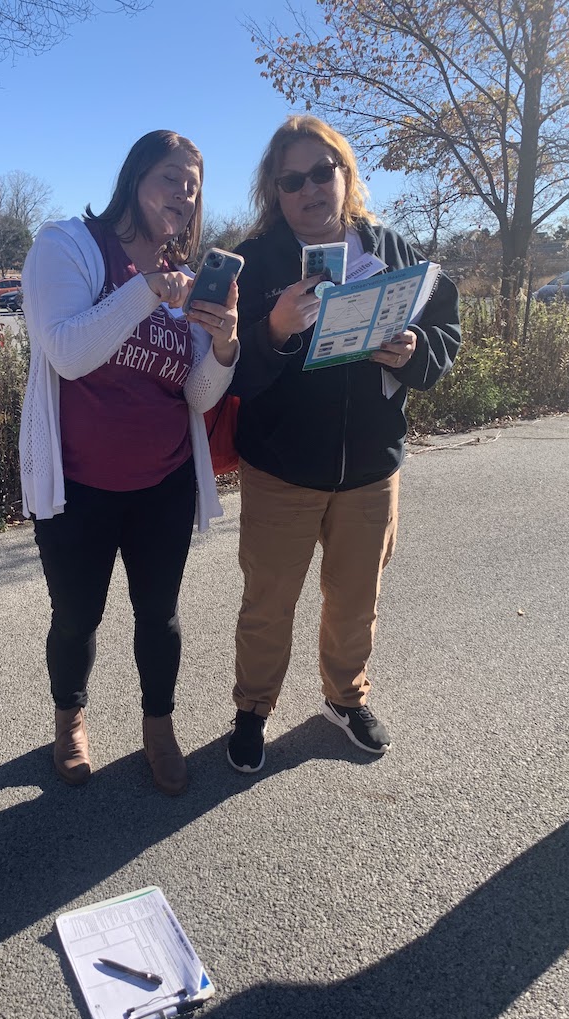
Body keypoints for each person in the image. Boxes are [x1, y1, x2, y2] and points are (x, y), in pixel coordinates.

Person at [226, 115, 460, 773]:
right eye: (291, 178)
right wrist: (271, 330)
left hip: (370, 466)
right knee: (268, 602)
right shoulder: (256, 261)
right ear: (276, 190)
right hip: (281, 467)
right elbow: (229, 372)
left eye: (321, 172)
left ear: (344, 173)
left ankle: (344, 698)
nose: (309, 189)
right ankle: (252, 711)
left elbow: (446, 331)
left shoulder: (393, 249)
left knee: (357, 599)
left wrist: (415, 352)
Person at [19, 131, 239, 795]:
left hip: (163, 483)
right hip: (79, 485)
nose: (184, 193)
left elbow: (197, 394)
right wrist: (145, 290)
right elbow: (66, 352)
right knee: (77, 615)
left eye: (194, 185)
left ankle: (159, 727)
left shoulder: (189, 283)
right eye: (172, 177)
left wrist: (225, 346)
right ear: (136, 177)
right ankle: (70, 721)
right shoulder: (67, 246)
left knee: (160, 616)